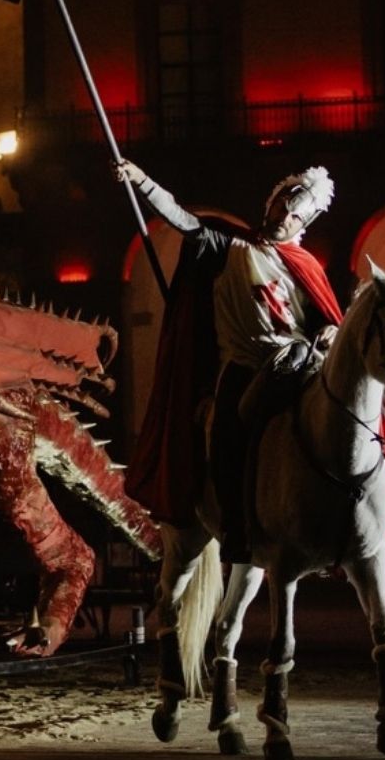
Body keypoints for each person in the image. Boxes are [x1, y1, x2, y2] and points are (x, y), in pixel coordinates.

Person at [117, 159, 342, 565]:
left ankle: (341, 521)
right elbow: (183, 220)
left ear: (304, 222)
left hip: (298, 360)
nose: (285, 217)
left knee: (340, 419)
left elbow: (327, 319)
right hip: (246, 364)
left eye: (296, 214)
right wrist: (142, 182)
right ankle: (236, 526)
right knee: (227, 431)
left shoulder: (306, 267)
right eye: (282, 206)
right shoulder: (229, 246)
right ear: (271, 203)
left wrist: (330, 331)